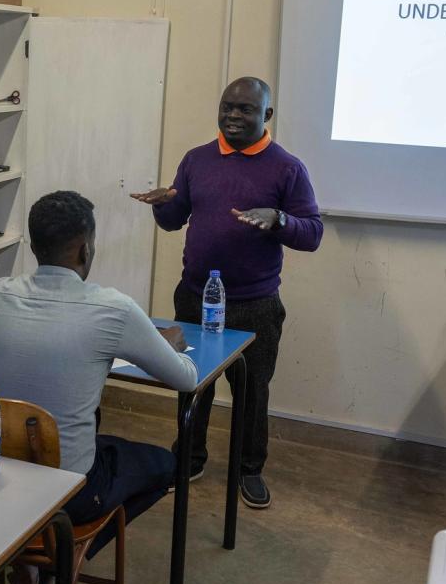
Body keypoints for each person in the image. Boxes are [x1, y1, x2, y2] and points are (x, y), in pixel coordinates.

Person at [132, 76, 323, 510]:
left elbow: (312, 234)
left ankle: (249, 469)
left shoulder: (287, 167)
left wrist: (278, 219)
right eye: (227, 107)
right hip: (195, 297)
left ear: (267, 116)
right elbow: (172, 221)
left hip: (255, 304)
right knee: (192, 380)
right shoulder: (197, 159)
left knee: (253, 391)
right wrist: (163, 204)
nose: (233, 116)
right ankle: (190, 458)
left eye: (245, 110)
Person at [0, 191, 198, 568]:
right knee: (168, 464)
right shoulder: (113, 308)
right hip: (69, 491)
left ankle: (36, 555)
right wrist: (169, 345)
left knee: (99, 438)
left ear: (34, 247)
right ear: (85, 251)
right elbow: (186, 379)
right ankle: (70, 555)